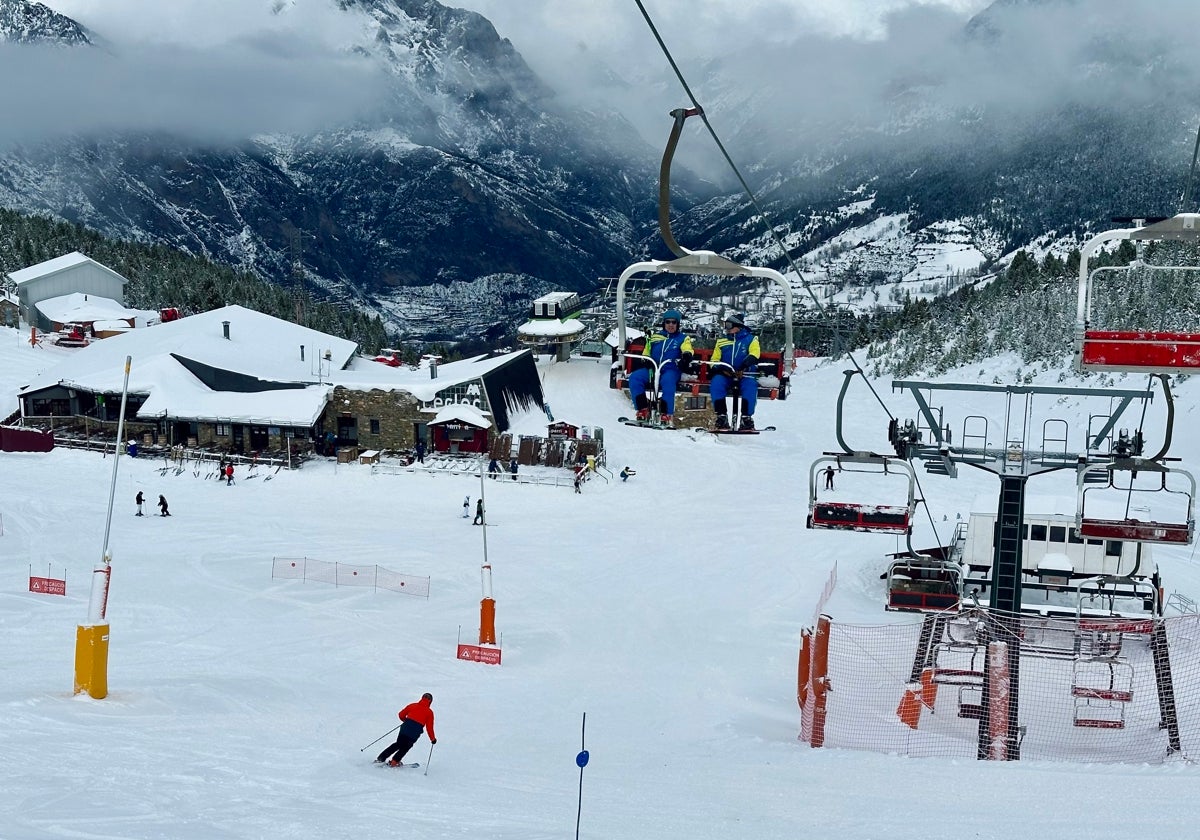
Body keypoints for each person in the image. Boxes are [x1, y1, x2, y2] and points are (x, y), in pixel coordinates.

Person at [626, 308, 693, 427]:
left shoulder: (682, 338)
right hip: (653, 367)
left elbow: (687, 348)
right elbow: (647, 350)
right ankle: (642, 409)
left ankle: (666, 413)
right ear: (664, 323)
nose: (671, 325)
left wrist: (687, 355)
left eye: (674, 322)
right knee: (635, 378)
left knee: (668, 381)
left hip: (670, 368)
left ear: (677, 324)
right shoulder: (655, 337)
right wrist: (646, 360)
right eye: (668, 322)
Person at [710, 313, 761, 431]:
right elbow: (714, 360)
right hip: (726, 374)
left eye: (729, 325)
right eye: (725, 326)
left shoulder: (751, 339)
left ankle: (746, 418)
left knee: (750, 386)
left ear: (738, 326)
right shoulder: (721, 342)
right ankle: (721, 416)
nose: (726, 329)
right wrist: (722, 369)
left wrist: (744, 366)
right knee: (717, 383)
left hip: (745, 373)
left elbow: (754, 354)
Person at [375, 692, 437, 766]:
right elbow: (429, 728)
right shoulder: (429, 713)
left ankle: (381, 758)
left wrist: (406, 721)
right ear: (430, 701)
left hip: (404, 729)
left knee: (398, 744)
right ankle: (394, 762)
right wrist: (433, 739)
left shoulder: (412, 705)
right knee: (405, 747)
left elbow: (401, 715)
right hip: (414, 733)